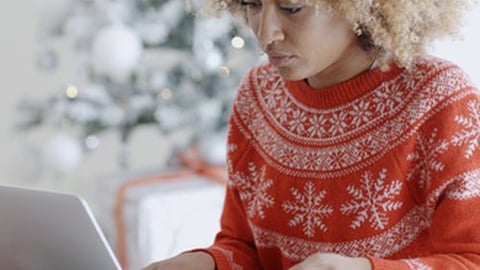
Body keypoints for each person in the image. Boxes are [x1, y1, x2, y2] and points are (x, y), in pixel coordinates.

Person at [143, 0, 480, 269]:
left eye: (291, 8)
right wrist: (207, 263)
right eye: (252, 4)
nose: (265, 34)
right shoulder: (258, 95)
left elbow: (472, 260)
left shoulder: (440, 99)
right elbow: (244, 247)